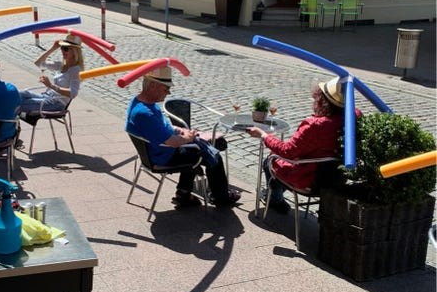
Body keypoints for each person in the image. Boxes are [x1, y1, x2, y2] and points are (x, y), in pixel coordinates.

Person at [125, 67, 241, 207]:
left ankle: (184, 193)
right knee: (213, 154)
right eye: (166, 88)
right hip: (164, 156)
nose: (169, 92)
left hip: (155, 152)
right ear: (152, 86)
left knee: (211, 145)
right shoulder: (145, 114)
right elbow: (173, 142)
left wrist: (179, 129)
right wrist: (189, 137)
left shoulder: (140, 103)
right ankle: (221, 198)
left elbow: (162, 126)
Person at [245, 77, 358, 214]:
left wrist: (263, 135)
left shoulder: (315, 125)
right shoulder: (354, 117)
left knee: (269, 160)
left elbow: (287, 151)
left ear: (321, 101)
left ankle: (276, 199)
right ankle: (275, 193)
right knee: (278, 160)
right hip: (336, 178)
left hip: (309, 179)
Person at [19, 34, 83, 114]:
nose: (63, 51)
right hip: (47, 97)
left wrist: (51, 86)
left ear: (74, 52)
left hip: (56, 104)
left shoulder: (75, 70)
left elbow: (73, 93)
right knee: (19, 94)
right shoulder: (61, 65)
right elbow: (39, 63)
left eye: (66, 49)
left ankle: (9, 124)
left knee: (16, 103)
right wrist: (53, 48)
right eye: (62, 48)